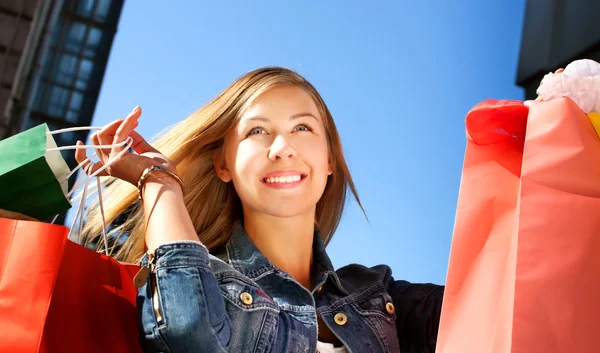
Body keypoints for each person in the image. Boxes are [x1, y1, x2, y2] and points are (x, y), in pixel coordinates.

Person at [78, 67, 444, 352]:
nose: (282, 148)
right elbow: (187, 328)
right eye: (257, 131)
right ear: (224, 165)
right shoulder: (204, 288)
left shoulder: (379, 294)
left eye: (302, 127)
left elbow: (492, 308)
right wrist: (158, 181)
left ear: (330, 159)